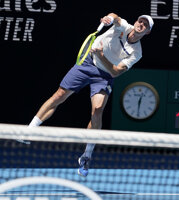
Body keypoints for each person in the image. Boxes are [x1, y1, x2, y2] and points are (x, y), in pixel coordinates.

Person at [26, 13, 154, 177]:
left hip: (105, 75)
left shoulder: (136, 53)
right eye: (140, 21)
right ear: (136, 22)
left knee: (97, 110)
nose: (141, 24)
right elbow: (116, 17)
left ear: (147, 32)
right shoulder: (124, 26)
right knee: (59, 95)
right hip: (88, 62)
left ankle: (86, 156)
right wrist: (109, 18)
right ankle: (29, 130)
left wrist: (102, 55)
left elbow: (115, 72)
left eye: (145, 25)